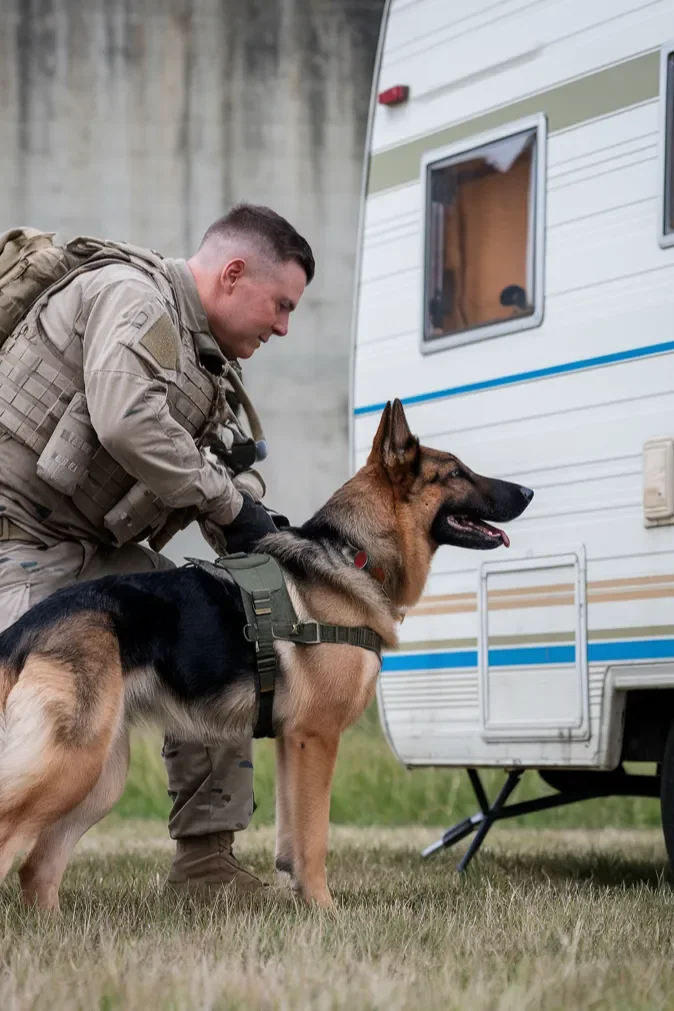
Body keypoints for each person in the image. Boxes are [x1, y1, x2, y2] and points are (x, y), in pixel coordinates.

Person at [0, 203, 315, 892]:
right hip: (15, 540)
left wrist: (256, 522)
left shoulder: (204, 360)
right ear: (233, 273)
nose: (284, 327)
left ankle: (206, 864)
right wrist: (228, 503)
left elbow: (207, 476)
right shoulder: (132, 297)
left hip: (86, 549)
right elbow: (127, 421)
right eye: (281, 305)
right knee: (51, 725)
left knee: (218, 632)